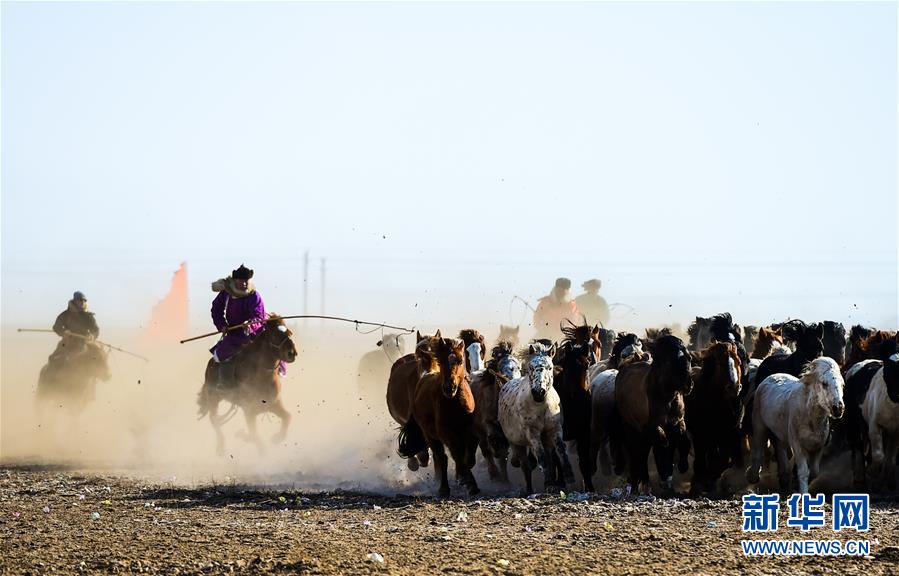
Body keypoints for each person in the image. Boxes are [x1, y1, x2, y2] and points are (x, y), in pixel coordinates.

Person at [210, 264, 266, 387]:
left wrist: (250, 324)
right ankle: (224, 384)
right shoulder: (226, 294)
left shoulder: (254, 296)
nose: (244, 283)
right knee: (223, 354)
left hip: (255, 333)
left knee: (273, 347)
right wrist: (222, 325)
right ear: (235, 281)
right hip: (234, 333)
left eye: (246, 281)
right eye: (241, 281)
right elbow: (216, 310)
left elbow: (259, 317)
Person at [48, 291, 99, 366]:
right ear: (75, 301)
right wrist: (63, 332)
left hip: (84, 342)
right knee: (53, 358)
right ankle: (49, 376)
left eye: (84, 300)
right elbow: (56, 327)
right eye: (80, 300)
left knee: (99, 356)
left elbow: (96, 330)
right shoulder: (65, 315)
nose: (82, 302)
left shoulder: (89, 316)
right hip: (67, 342)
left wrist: (92, 336)